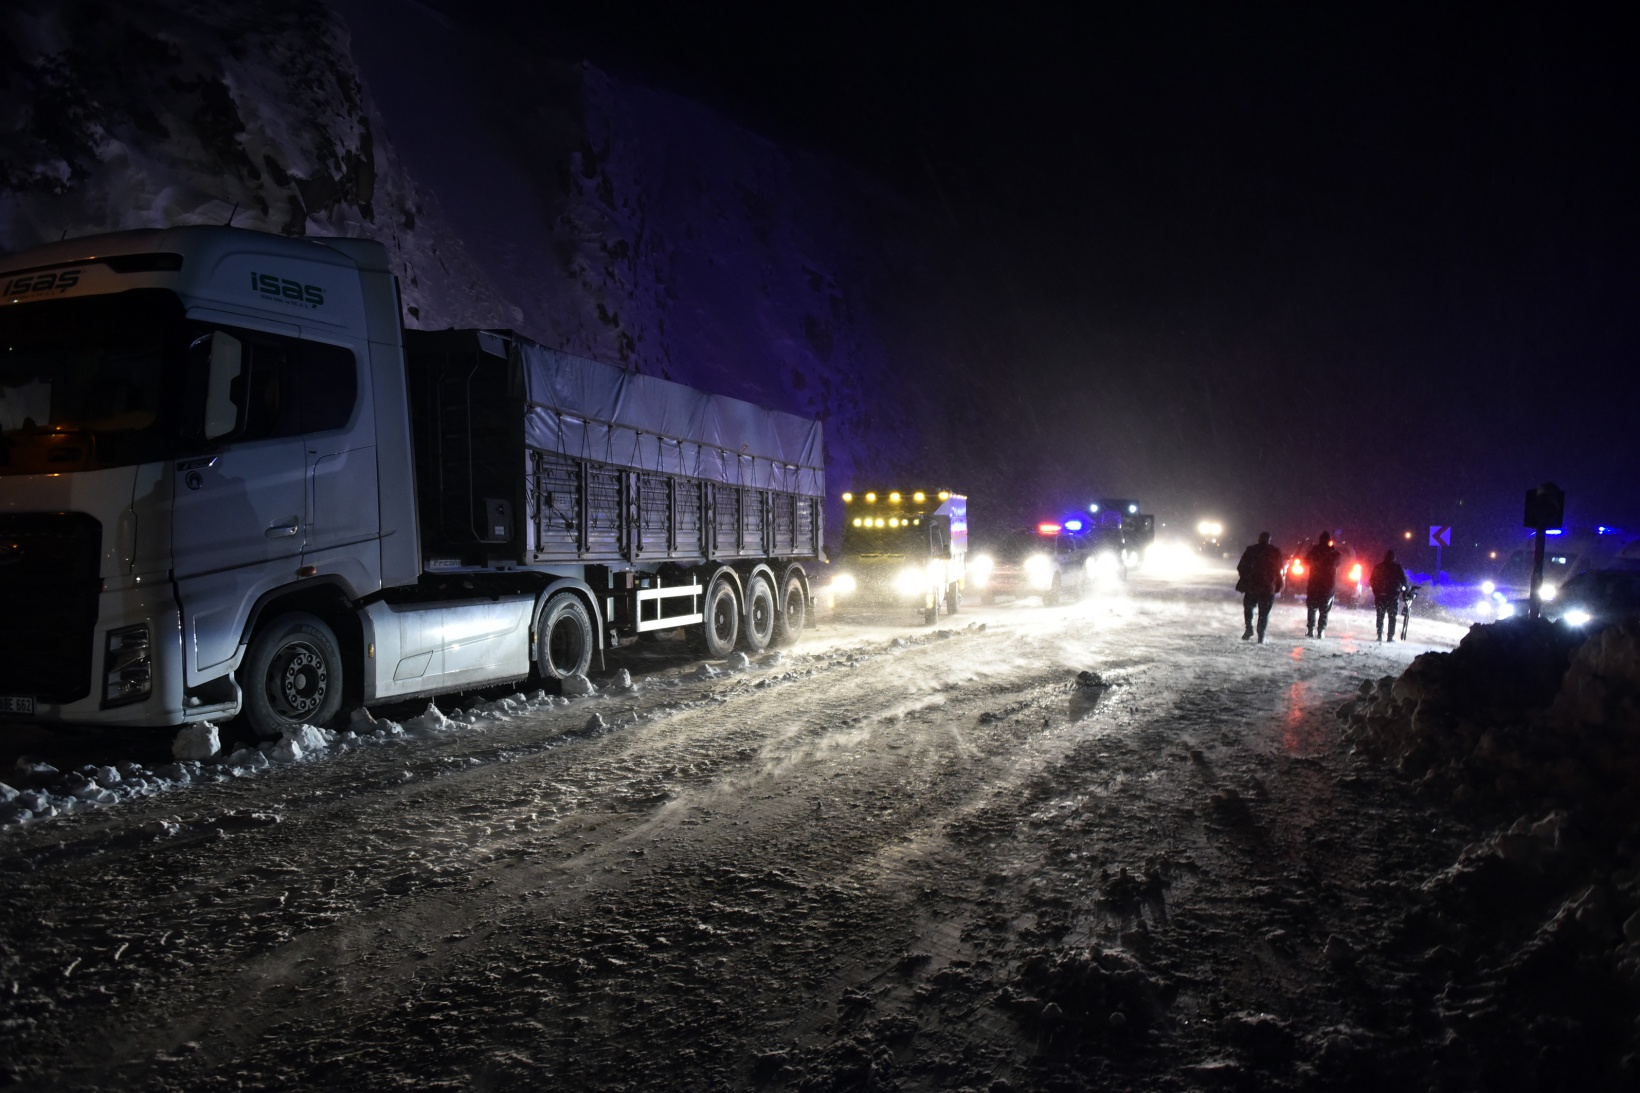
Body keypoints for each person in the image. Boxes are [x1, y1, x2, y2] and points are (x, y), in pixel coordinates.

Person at [1234, 532, 1285, 643]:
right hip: (1268, 587)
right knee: (1264, 613)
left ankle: (1249, 629)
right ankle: (1261, 636)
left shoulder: (1251, 551)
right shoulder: (1275, 552)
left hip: (1252, 586)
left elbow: (1241, 567)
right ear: (1269, 540)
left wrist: (1246, 577)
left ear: (1259, 539)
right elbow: (1280, 568)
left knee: (1249, 608)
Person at [1304, 529, 1341, 638]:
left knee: (1312, 608)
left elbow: (1305, 561)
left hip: (1314, 584)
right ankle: (1321, 630)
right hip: (1328, 585)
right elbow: (1338, 563)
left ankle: (1310, 629)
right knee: (1324, 609)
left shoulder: (1314, 551)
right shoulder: (1335, 553)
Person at [1370, 549, 1409, 642]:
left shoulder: (1379, 567)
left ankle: (1380, 635)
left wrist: (1376, 591)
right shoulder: (1397, 568)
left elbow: (1372, 580)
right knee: (1392, 617)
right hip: (1393, 596)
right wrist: (1405, 589)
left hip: (1380, 596)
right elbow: (1403, 580)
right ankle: (1390, 637)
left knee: (1380, 616)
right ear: (1393, 557)